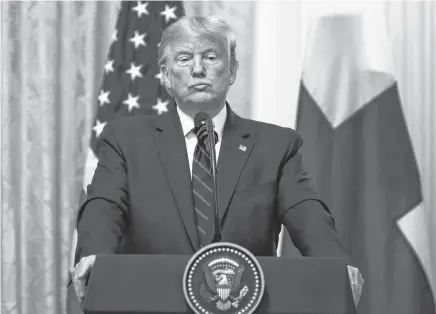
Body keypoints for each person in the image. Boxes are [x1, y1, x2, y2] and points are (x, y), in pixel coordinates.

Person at [71, 16, 363, 306]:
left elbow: (307, 213)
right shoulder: (126, 139)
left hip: (247, 303)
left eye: (210, 57)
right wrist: (95, 255)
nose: (198, 69)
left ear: (232, 70)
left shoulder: (275, 146)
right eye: (184, 59)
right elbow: (104, 207)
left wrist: (335, 265)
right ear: (165, 74)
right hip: (151, 300)